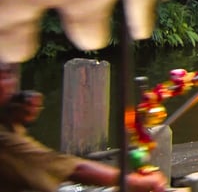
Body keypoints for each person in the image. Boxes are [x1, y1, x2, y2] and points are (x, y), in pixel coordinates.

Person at [0, 61, 167, 192]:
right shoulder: (5, 141)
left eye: (9, 74)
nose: (10, 84)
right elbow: (71, 169)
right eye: (3, 76)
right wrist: (132, 181)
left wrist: (12, 120)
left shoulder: (8, 123)